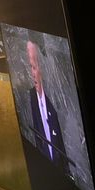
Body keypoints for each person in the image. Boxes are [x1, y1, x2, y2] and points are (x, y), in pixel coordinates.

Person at [26, 40, 68, 173]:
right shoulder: (31, 98)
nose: (32, 73)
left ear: (43, 68)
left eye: (34, 67)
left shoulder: (57, 104)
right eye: (30, 67)